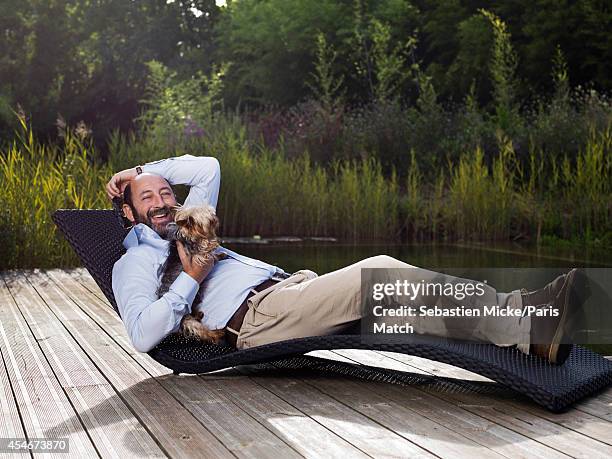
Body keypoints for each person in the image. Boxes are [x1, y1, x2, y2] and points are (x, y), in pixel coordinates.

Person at [107, 155, 586, 364]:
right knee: (378, 275)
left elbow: (207, 168)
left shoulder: (191, 220)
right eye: (147, 197)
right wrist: (191, 278)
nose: (163, 200)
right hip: (256, 320)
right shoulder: (134, 261)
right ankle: (527, 323)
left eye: (166, 191)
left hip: (290, 289)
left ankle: (525, 334)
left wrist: (141, 170)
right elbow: (143, 334)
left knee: (406, 301)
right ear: (129, 213)